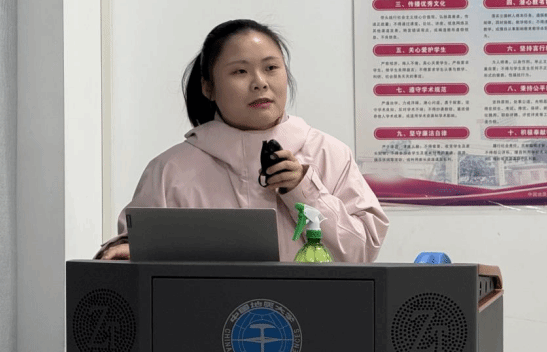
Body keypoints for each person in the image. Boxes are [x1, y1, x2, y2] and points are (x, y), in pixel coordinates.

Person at [96, 18, 389, 264]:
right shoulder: (170, 170)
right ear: (208, 87)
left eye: (271, 68)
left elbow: (362, 252)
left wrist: (304, 191)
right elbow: (134, 247)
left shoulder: (329, 154)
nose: (260, 82)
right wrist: (126, 251)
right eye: (240, 71)